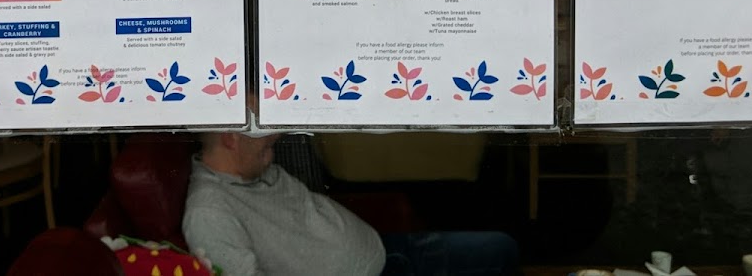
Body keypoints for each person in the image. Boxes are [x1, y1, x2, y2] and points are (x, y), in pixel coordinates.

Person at [182, 131, 519, 276]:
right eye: (264, 139)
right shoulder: (209, 212)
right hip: (384, 270)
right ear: (232, 139)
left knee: (502, 247)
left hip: (385, 250)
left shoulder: (251, 168)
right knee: (500, 250)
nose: (275, 135)